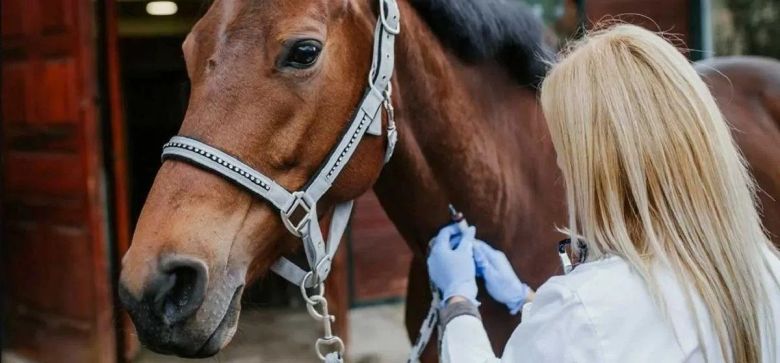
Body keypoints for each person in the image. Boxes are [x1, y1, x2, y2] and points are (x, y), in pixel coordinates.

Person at [427, 24, 780, 363]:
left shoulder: (584, 307)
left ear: (600, 165)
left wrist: (458, 300)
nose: (562, 166)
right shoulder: (765, 267)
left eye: (565, 149)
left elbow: (595, 332)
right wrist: (525, 299)